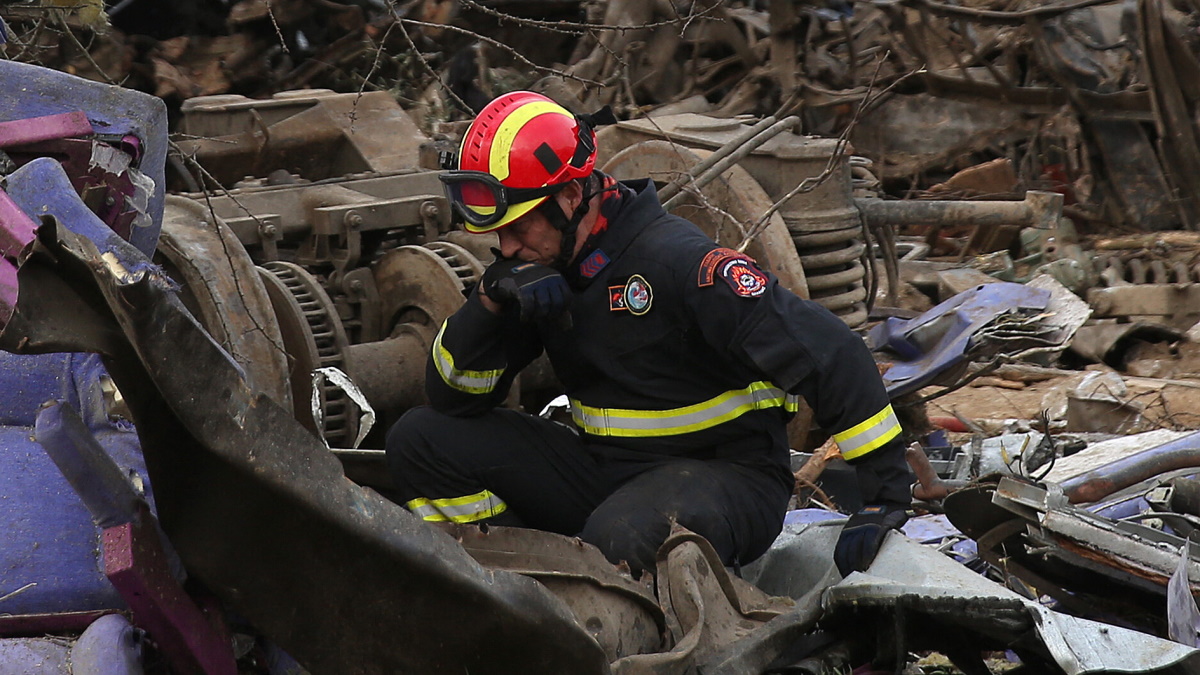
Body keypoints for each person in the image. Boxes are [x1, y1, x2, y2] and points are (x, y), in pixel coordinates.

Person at [385, 91, 914, 577]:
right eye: (497, 235)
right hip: (606, 471)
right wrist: (489, 303)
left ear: (571, 196)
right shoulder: (541, 267)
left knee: (621, 536)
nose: (507, 248)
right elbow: (453, 397)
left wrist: (882, 498)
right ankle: (508, 586)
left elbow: (834, 354)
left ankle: (605, 613)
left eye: (518, 228)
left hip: (728, 476)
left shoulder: (681, 265)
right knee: (420, 439)